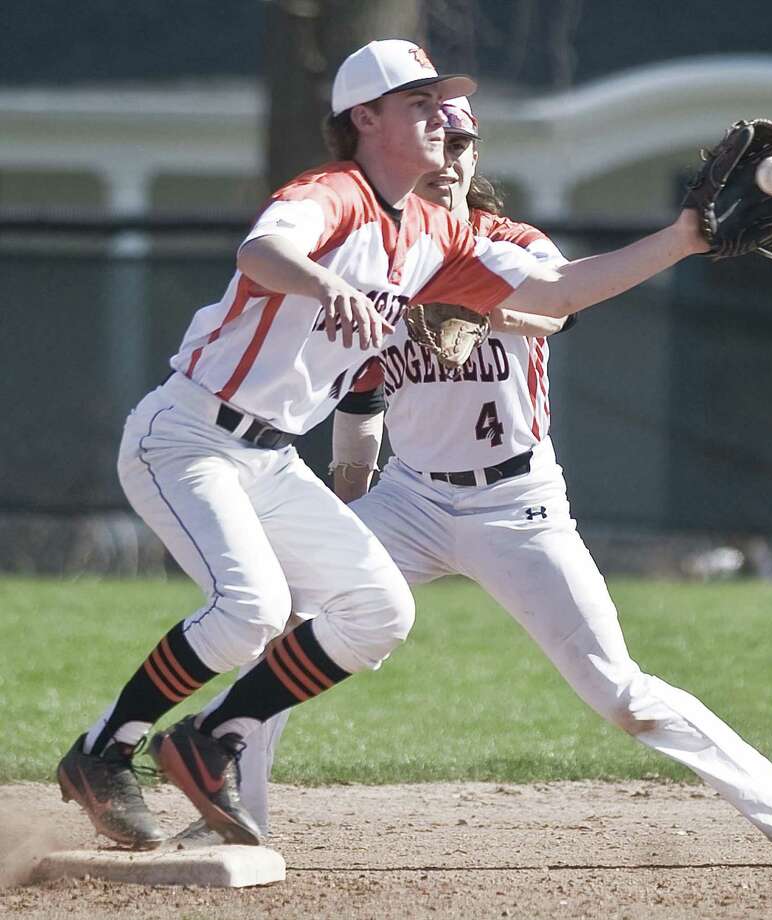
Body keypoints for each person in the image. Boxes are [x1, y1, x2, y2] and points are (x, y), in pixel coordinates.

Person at [57, 37, 721, 851]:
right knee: (254, 609)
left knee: (378, 609)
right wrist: (329, 282)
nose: (441, 117)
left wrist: (683, 238)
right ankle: (103, 751)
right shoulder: (331, 192)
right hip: (187, 436)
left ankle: (209, 737)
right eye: (418, 103)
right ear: (364, 119)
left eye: (443, 103)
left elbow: (557, 291)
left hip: (267, 458)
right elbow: (261, 251)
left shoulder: (437, 232)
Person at [201, 96, 772, 868]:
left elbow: (560, 299)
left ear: (476, 158)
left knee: (620, 693)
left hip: (516, 504)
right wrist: (349, 499)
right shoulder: (379, 255)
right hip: (412, 497)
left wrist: (494, 310)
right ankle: (225, 806)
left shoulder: (507, 243)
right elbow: (364, 394)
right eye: (435, 140)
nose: (448, 156)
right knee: (289, 617)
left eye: (462, 142)